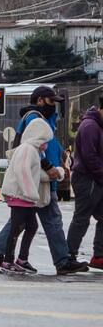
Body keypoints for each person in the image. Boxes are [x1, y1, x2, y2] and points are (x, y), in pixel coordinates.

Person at [0, 86, 88, 275]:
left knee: (22, 222)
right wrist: (49, 167)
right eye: (51, 101)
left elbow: (46, 145)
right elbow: (32, 147)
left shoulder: (42, 119)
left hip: (40, 179)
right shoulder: (35, 119)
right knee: (49, 220)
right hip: (39, 180)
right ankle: (62, 261)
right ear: (40, 100)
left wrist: (62, 155)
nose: (53, 106)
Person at [0, 111, 54, 274]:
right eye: (45, 140)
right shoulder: (28, 150)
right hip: (20, 196)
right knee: (17, 228)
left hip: (24, 197)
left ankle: (22, 259)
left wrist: (56, 173)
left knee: (31, 226)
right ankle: (8, 260)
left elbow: (35, 174)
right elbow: (22, 171)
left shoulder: (33, 151)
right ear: (38, 137)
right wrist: (31, 192)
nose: (46, 145)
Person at [66, 102, 103, 270]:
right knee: (82, 217)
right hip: (87, 178)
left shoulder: (97, 125)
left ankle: (99, 256)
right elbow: (90, 156)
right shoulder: (90, 126)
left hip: (96, 178)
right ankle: (68, 256)